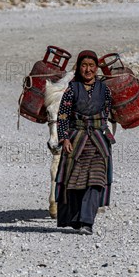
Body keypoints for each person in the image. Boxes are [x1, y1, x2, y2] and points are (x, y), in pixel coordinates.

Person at [54, 50, 115, 235]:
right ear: (79, 68)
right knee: (75, 182)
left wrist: (105, 130)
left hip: (98, 141)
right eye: (83, 66)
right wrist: (64, 138)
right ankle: (76, 219)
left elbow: (108, 112)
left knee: (96, 180)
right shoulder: (72, 89)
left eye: (91, 66)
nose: (87, 70)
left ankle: (87, 222)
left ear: (96, 68)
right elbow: (62, 115)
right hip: (76, 140)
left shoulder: (104, 90)